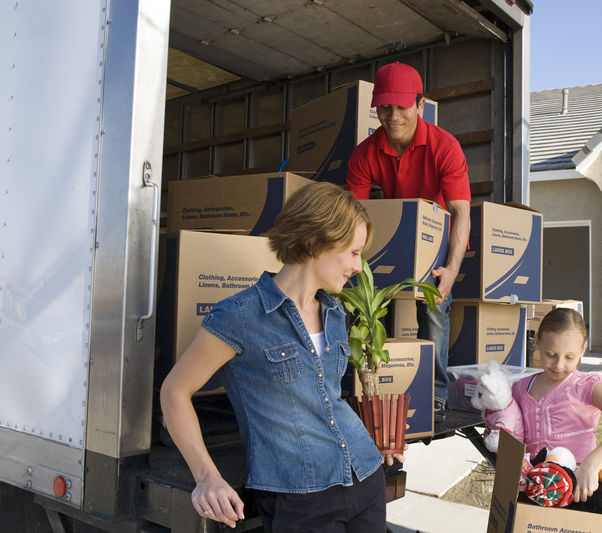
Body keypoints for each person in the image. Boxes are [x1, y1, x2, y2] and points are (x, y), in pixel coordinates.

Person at [160, 182, 403, 532]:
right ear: (314, 241)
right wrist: (207, 477)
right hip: (301, 498)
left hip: (364, 474)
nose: (358, 265)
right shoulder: (240, 316)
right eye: (353, 252)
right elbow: (174, 392)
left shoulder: (335, 313)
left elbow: (325, 399)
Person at [346, 61, 471, 422]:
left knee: (433, 309)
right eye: (384, 106)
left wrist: (451, 269)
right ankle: (354, 388)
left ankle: (435, 396)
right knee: (356, 305)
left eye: (401, 106)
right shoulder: (365, 153)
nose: (392, 115)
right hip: (386, 239)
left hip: (433, 243)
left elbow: (461, 213)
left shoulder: (444, 147)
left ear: (420, 105)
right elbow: (353, 214)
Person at [511, 308, 602, 503]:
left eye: (569, 357)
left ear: (583, 349)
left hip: (577, 492)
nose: (558, 364)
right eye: (550, 354)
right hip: (531, 491)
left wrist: (592, 464)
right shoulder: (520, 388)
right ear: (537, 341)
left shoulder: (587, 386)